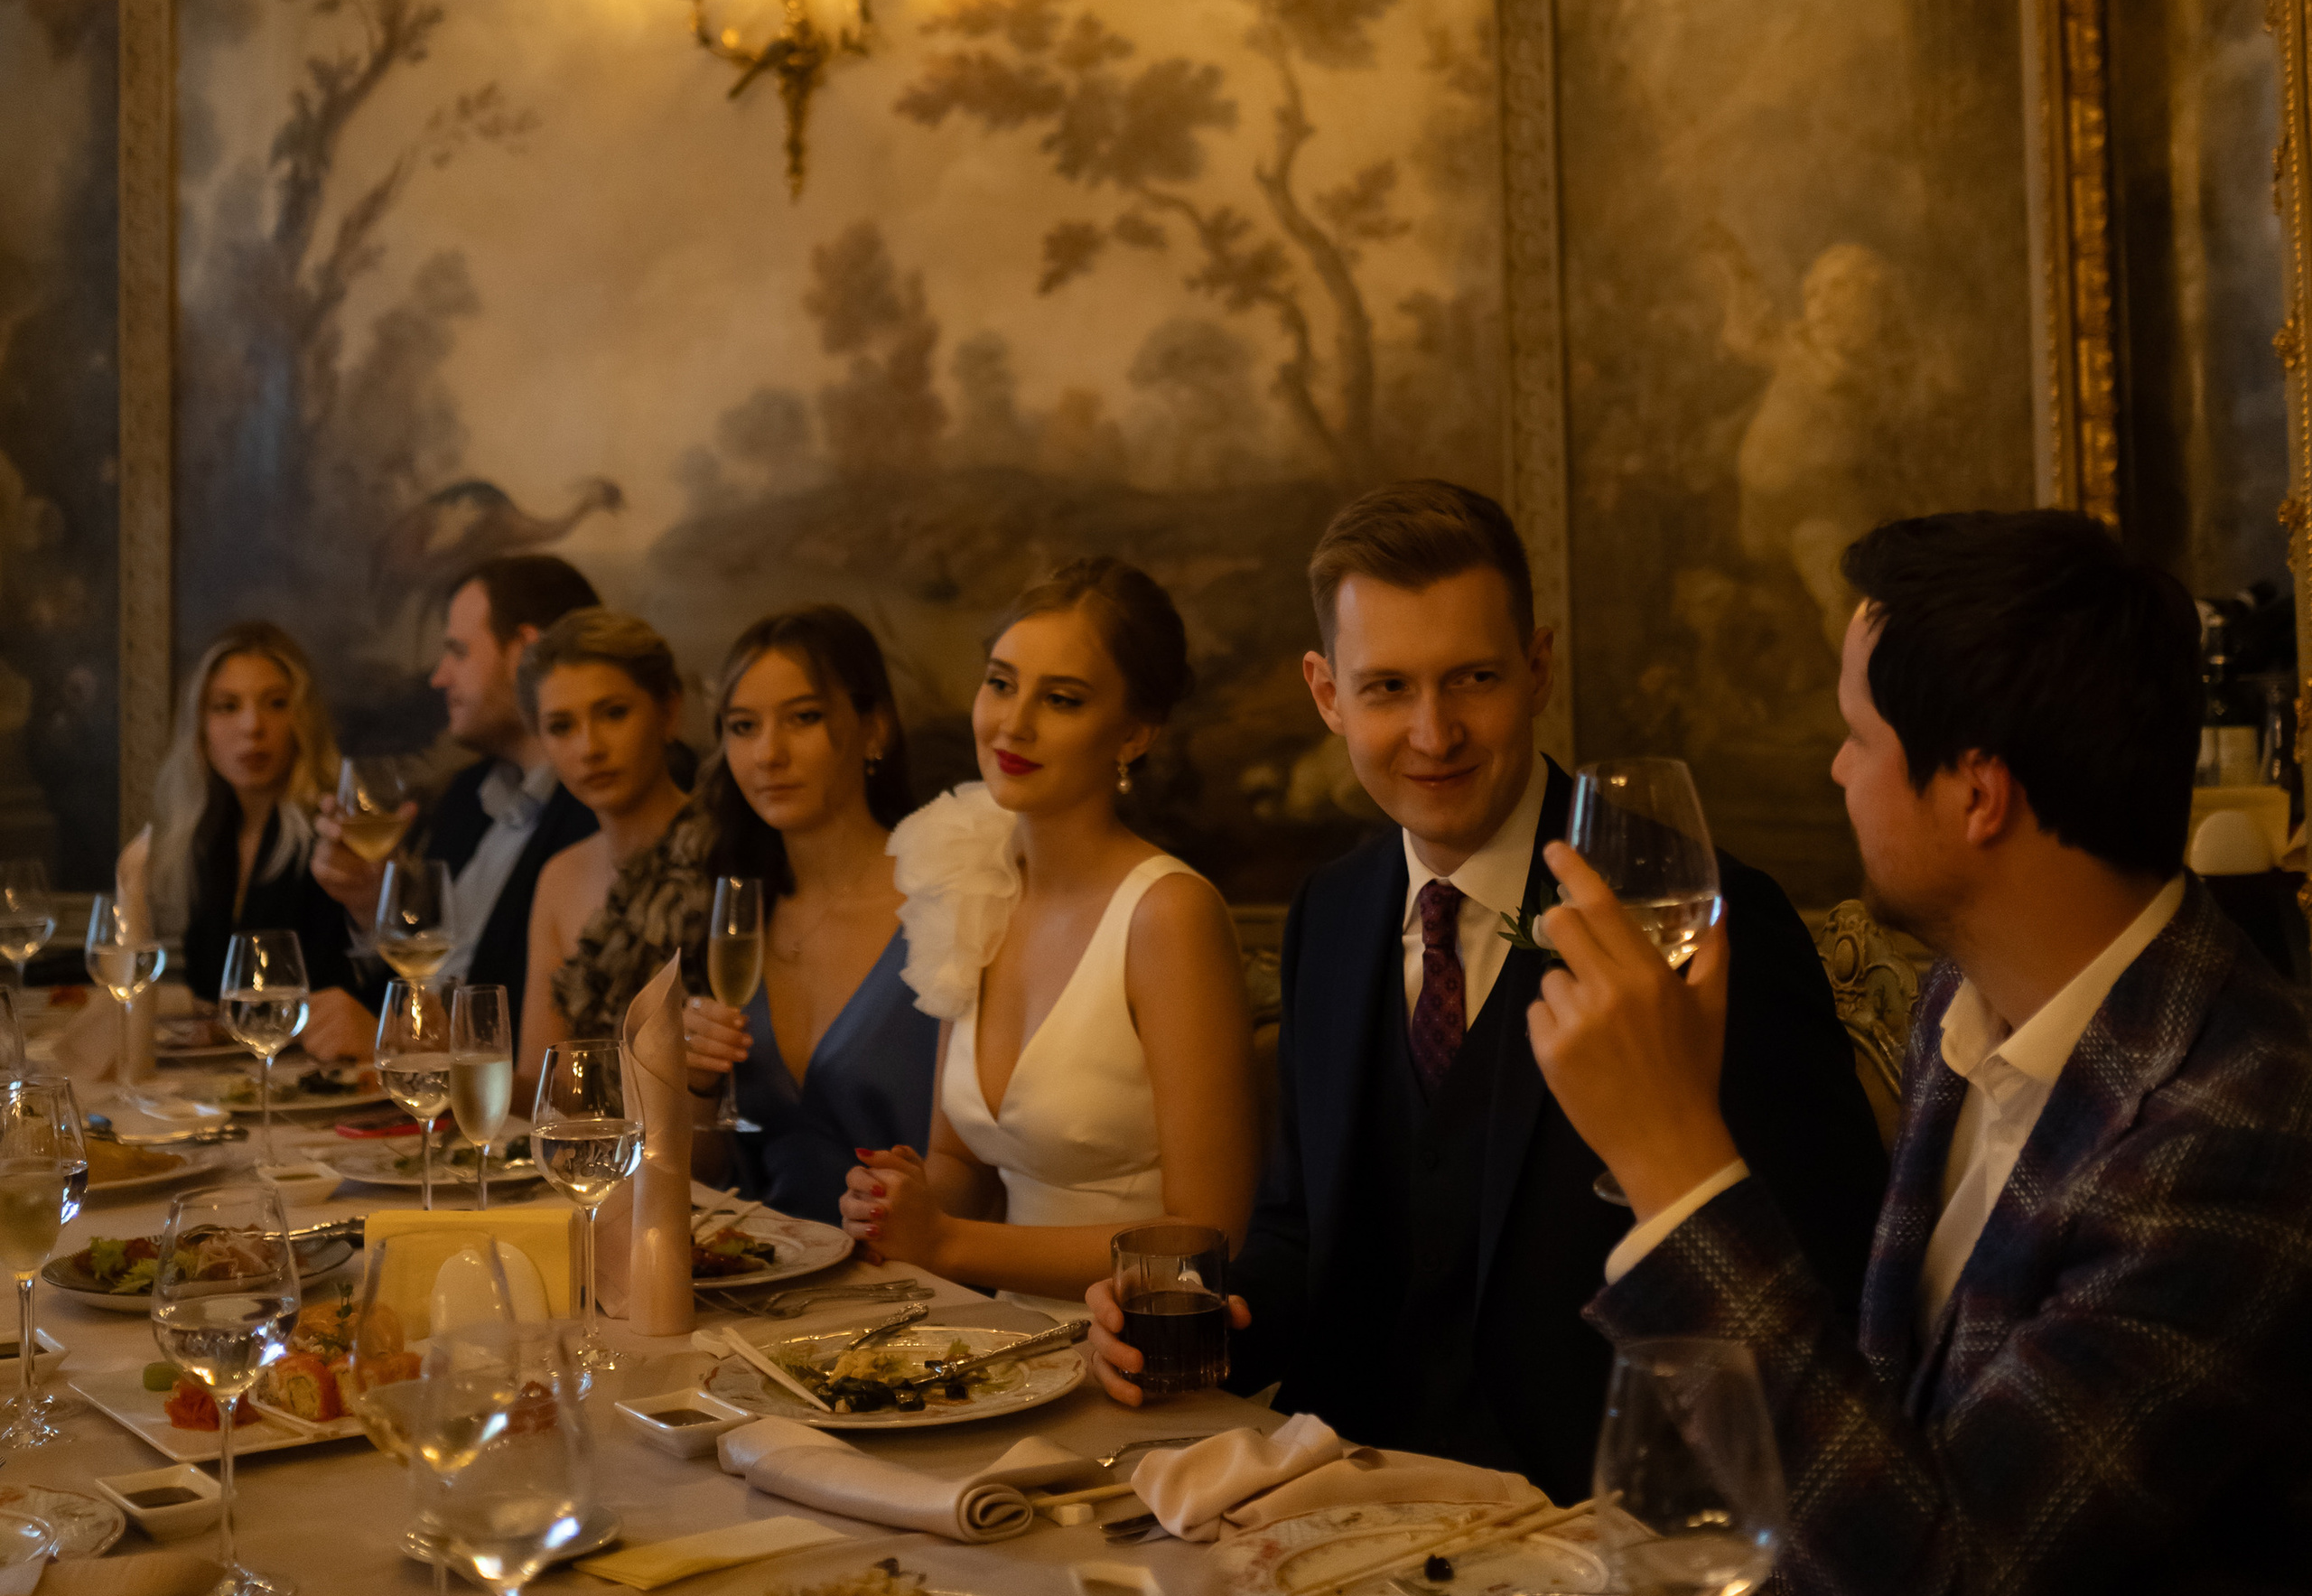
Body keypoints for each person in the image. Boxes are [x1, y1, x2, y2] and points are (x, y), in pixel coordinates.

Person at [1532, 509, 2312, 1596]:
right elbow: (1876, 1452)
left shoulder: (2242, 1126)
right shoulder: (1965, 1004)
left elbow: (1934, 1594)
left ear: (1978, 793)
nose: (1835, 772)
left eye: (1857, 738)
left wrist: (1671, 1155)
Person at [1086, 481, 1886, 1498]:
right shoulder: (1328, 914)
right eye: (1386, 689)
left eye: (1471, 679)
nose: (1434, 733)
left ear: (1538, 667)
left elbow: (1823, 1272)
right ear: (1326, 694)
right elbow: (1299, 1233)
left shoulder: (1692, 909)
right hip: (1344, 1516)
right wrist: (1212, 1327)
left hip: (1606, 1523)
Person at [838, 557, 1258, 1296]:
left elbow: (1205, 1238)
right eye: (1000, 683)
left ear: (1133, 734)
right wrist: (898, 1204)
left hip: (1137, 1355)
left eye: (1062, 700)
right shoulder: (972, 874)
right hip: (998, 1351)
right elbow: (961, 1162)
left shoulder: (1168, 914)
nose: (1014, 722)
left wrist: (946, 1243)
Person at [677, 607, 935, 1223]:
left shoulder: (941, 902)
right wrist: (696, 1083)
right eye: (743, 727)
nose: (768, 754)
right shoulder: (738, 916)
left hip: (929, 1282)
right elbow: (706, 1172)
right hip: (773, 1281)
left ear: (875, 730)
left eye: (804, 719)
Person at [312, 554, 605, 1039]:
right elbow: (414, 990)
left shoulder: (600, 813)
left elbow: (562, 1051)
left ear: (524, 653)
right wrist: (371, 901)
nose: (439, 677)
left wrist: (393, 1041)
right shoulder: (466, 798)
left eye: (459, 652)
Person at [127, 623, 373, 1059]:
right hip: (235, 1083)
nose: (252, 726)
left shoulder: (336, 835)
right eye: (226, 706)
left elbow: (381, 981)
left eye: (276, 704)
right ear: (200, 729)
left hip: (337, 1081)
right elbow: (213, 997)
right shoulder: (206, 838)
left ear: (304, 720)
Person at [516, 609, 695, 1079]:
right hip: (589, 1147)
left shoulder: (724, 851)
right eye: (561, 726)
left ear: (668, 713)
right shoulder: (561, 874)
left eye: (614, 713)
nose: (589, 747)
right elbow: (542, 1082)